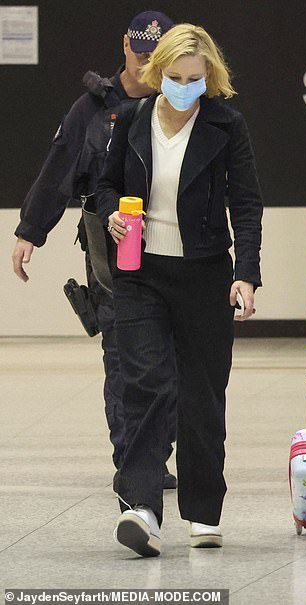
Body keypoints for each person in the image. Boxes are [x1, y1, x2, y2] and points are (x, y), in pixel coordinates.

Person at [96, 23, 263, 558]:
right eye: (175, 77)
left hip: (205, 273)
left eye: (196, 78)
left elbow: (247, 205)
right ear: (155, 72)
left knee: (201, 393)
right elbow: (104, 186)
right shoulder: (131, 118)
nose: (186, 87)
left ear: (209, 76)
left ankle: (204, 510)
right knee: (145, 385)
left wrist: (247, 273)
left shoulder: (226, 125)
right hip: (140, 273)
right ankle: (140, 506)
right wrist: (111, 218)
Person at [10, 10, 177, 490]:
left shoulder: (181, 101)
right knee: (123, 357)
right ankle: (132, 458)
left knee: (169, 361)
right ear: (125, 45)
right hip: (110, 253)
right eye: (141, 55)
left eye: (157, 58)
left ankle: (156, 452)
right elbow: (57, 167)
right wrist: (29, 232)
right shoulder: (92, 107)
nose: (148, 66)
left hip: (171, 249)